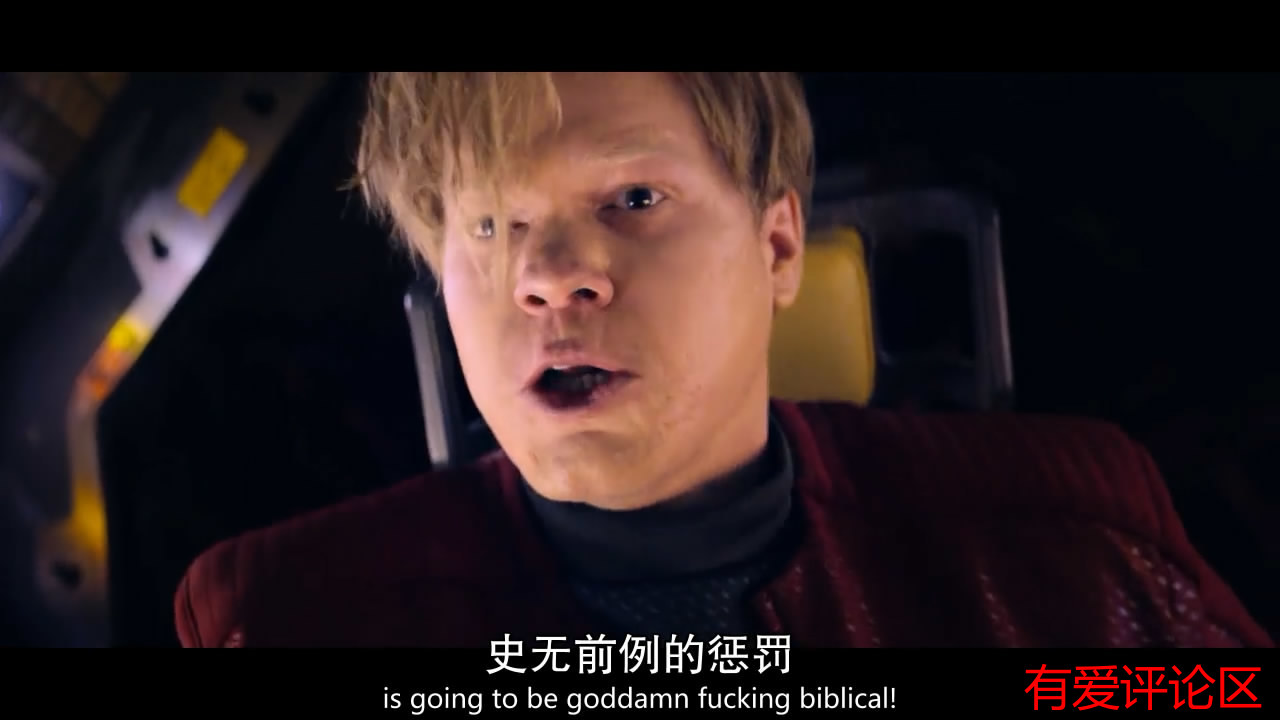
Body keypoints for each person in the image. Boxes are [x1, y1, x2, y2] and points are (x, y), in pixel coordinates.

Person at [173, 72, 1271, 648]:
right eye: (491, 226)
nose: (545, 277)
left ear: (778, 246)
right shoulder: (286, 620)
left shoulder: (1076, 560)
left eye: (632, 198)